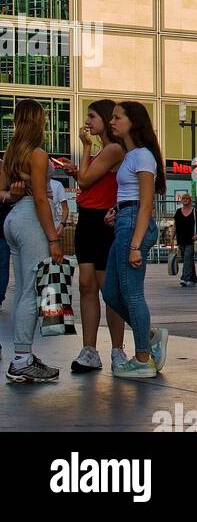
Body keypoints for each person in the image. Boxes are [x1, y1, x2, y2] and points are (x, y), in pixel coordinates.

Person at [0, 99, 65, 383]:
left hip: (14, 218)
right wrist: (54, 237)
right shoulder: (37, 154)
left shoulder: (12, 153)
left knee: (23, 289)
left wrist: (12, 195)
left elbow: (1, 192)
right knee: (32, 290)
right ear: (38, 121)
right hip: (31, 219)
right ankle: (22, 358)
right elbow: (41, 198)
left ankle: (21, 355)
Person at [100, 101, 165, 379]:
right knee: (111, 292)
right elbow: (133, 198)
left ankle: (142, 359)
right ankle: (149, 335)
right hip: (125, 222)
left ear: (133, 122)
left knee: (131, 292)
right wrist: (117, 211)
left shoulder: (142, 156)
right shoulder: (130, 156)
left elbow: (146, 203)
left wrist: (136, 244)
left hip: (133, 226)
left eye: (117, 117)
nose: (111, 121)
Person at [68, 99, 127, 373]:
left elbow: (84, 180)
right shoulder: (104, 150)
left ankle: (117, 350)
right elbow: (84, 178)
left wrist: (86, 146)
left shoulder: (113, 149)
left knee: (108, 289)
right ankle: (90, 349)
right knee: (87, 285)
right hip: (88, 220)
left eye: (92, 116)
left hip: (103, 220)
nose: (88, 122)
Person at [172, 191, 197, 288]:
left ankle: (184, 278)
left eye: (188, 199)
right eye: (184, 198)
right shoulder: (178, 212)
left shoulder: (195, 211)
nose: (186, 200)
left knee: (187, 258)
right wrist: (172, 238)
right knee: (187, 258)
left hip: (191, 239)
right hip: (180, 238)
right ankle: (193, 278)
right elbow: (175, 226)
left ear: (190, 201)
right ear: (181, 200)